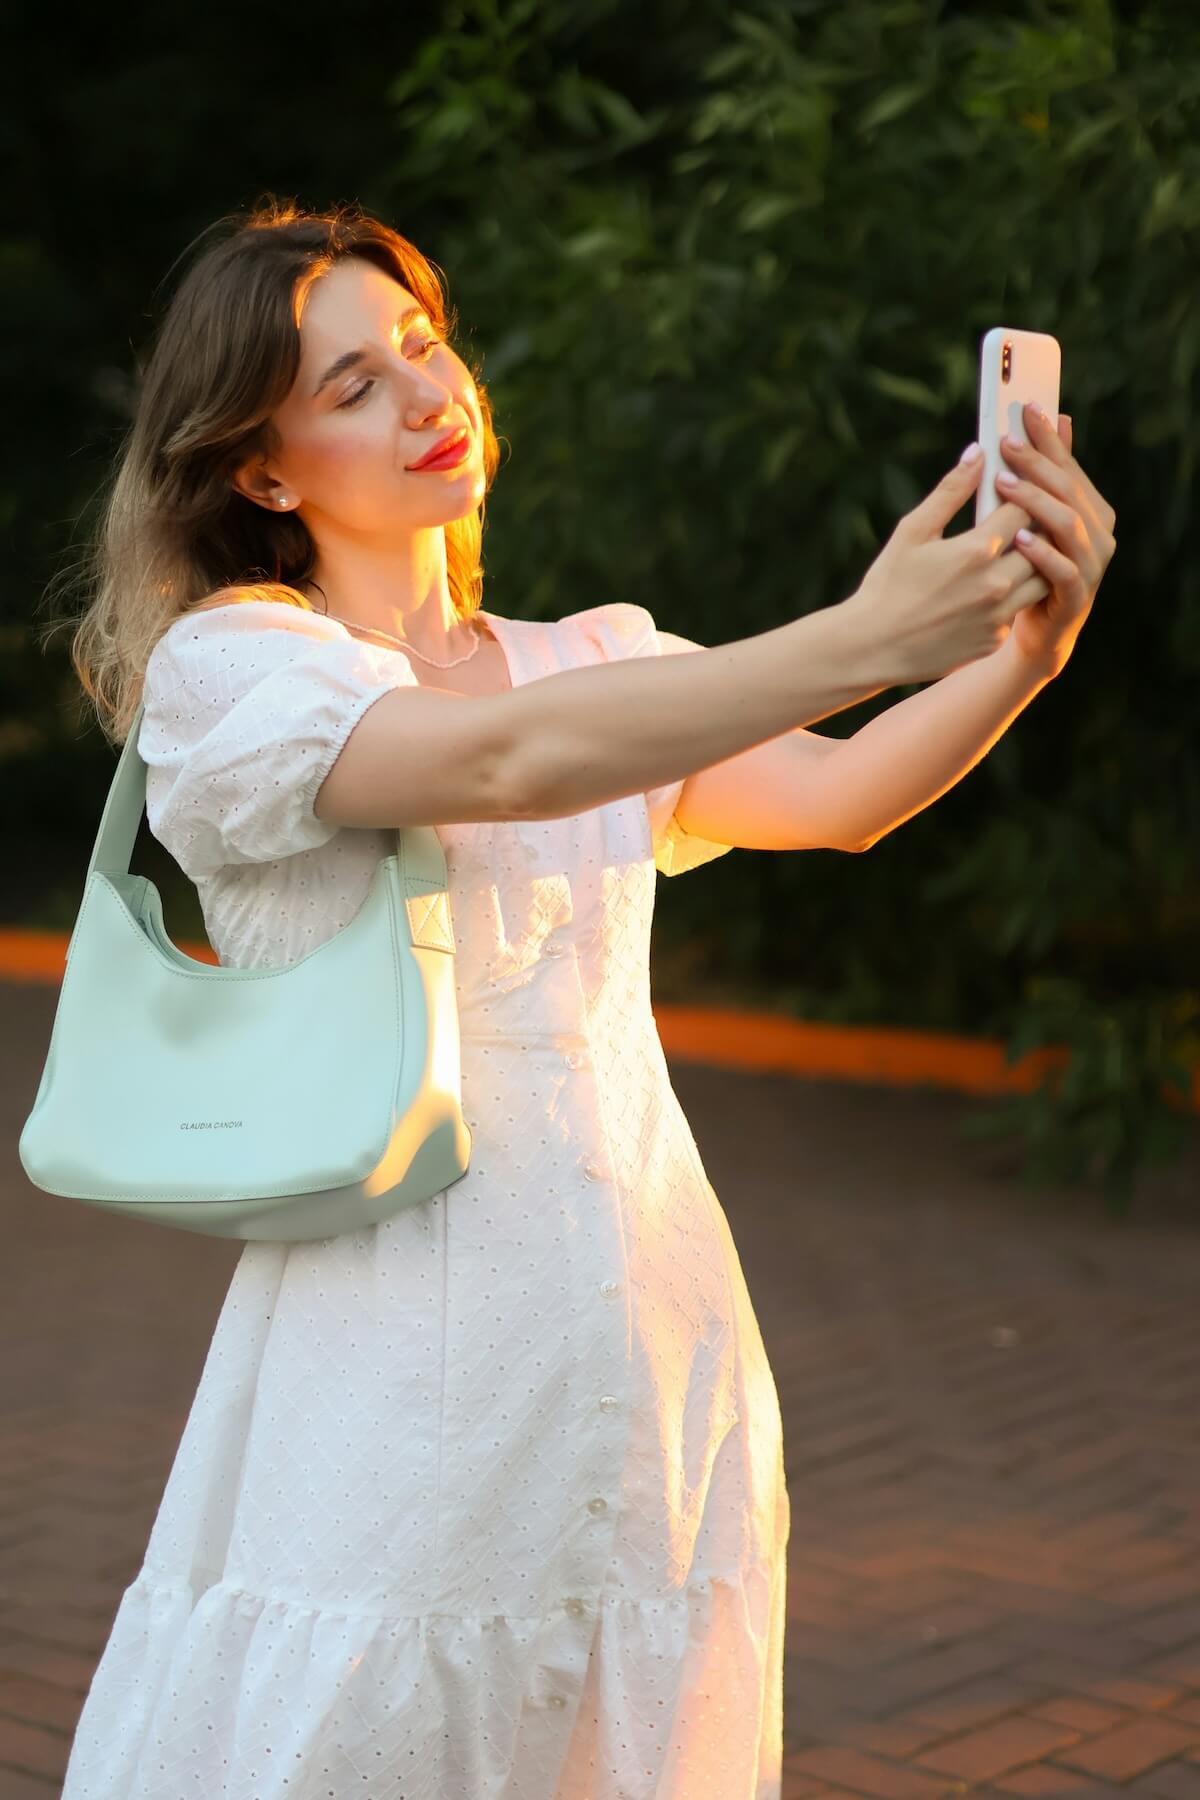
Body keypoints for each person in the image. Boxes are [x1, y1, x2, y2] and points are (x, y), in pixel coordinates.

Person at [54, 197, 1113, 1799]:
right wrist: (861, 631)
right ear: (260, 469)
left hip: (649, 1335)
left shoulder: (596, 658)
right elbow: (498, 765)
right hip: (393, 1358)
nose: (426, 395)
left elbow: (841, 797)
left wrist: (1023, 648)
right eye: (350, 386)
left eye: (420, 344)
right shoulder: (236, 673)